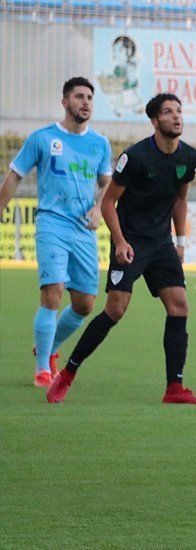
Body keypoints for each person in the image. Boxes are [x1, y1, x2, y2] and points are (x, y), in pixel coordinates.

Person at [46, 93, 196, 406]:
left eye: (179, 111)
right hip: (131, 241)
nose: (176, 117)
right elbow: (109, 202)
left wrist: (180, 242)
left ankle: (174, 388)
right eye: (168, 112)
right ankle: (67, 374)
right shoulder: (134, 157)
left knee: (179, 306)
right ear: (154, 121)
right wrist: (120, 242)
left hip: (161, 243)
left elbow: (180, 199)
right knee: (115, 310)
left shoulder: (188, 156)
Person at [0, 77, 112, 388]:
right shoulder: (43, 138)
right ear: (65, 102)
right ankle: (42, 368)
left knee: (85, 304)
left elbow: (107, 185)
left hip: (84, 230)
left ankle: (49, 347)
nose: (86, 102)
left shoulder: (100, 143)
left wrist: (97, 208)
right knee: (53, 294)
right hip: (52, 223)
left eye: (90, 97)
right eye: (79, 96)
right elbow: (14, 176)